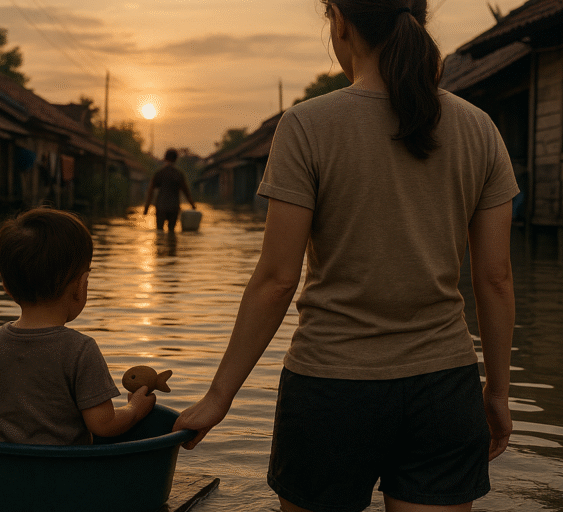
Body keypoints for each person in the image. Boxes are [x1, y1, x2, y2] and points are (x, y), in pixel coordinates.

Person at [172, 1, 518, 511]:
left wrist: (218, 398)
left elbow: (276, 280)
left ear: (338, 20)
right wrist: (496, 393)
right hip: (444, 388)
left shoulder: (307, 125)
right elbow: (495, 279)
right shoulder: (478, 127)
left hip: (330, 390)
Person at [0, 207, 156, 445]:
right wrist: (134, 408)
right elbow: (103, 424)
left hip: (1, 472)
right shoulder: (80, 350)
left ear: (7, 286)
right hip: (65, 476)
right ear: (81, 286)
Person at [143, 148, 197, 231]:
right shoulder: (178, 174)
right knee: (171, 231)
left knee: (159, 231)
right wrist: (192, 205)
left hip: (161, 207)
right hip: (174, 207)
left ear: (164, 158)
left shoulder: (159, 173)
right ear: (176, 159)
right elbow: (186, 192)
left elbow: (150, 191)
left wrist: (146, 208)